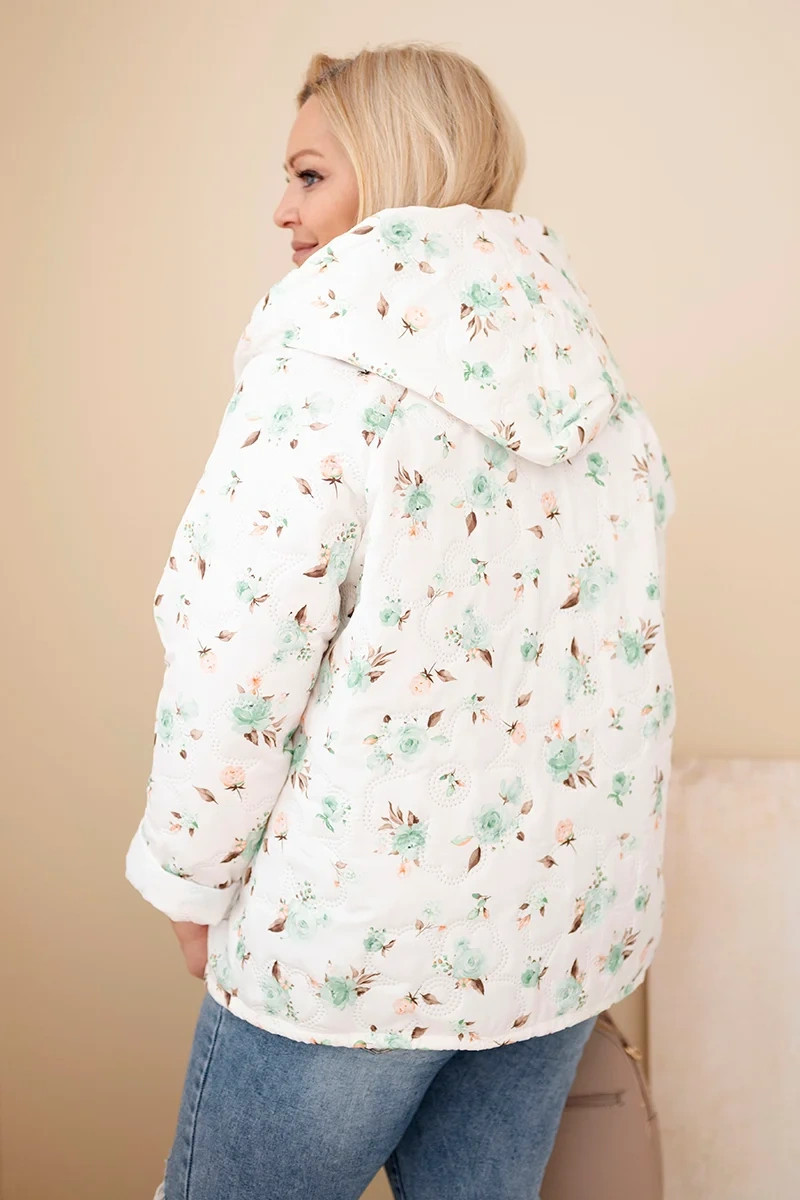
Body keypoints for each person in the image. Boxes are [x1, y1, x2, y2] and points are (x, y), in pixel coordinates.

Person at [127, 41, 677, 1200]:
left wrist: (191, 881)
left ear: (392, 165)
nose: (281, 211)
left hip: (349, 952)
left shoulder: (322, 367)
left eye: (309, 174)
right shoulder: (595, 384)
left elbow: (240, 655)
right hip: (549, 946)